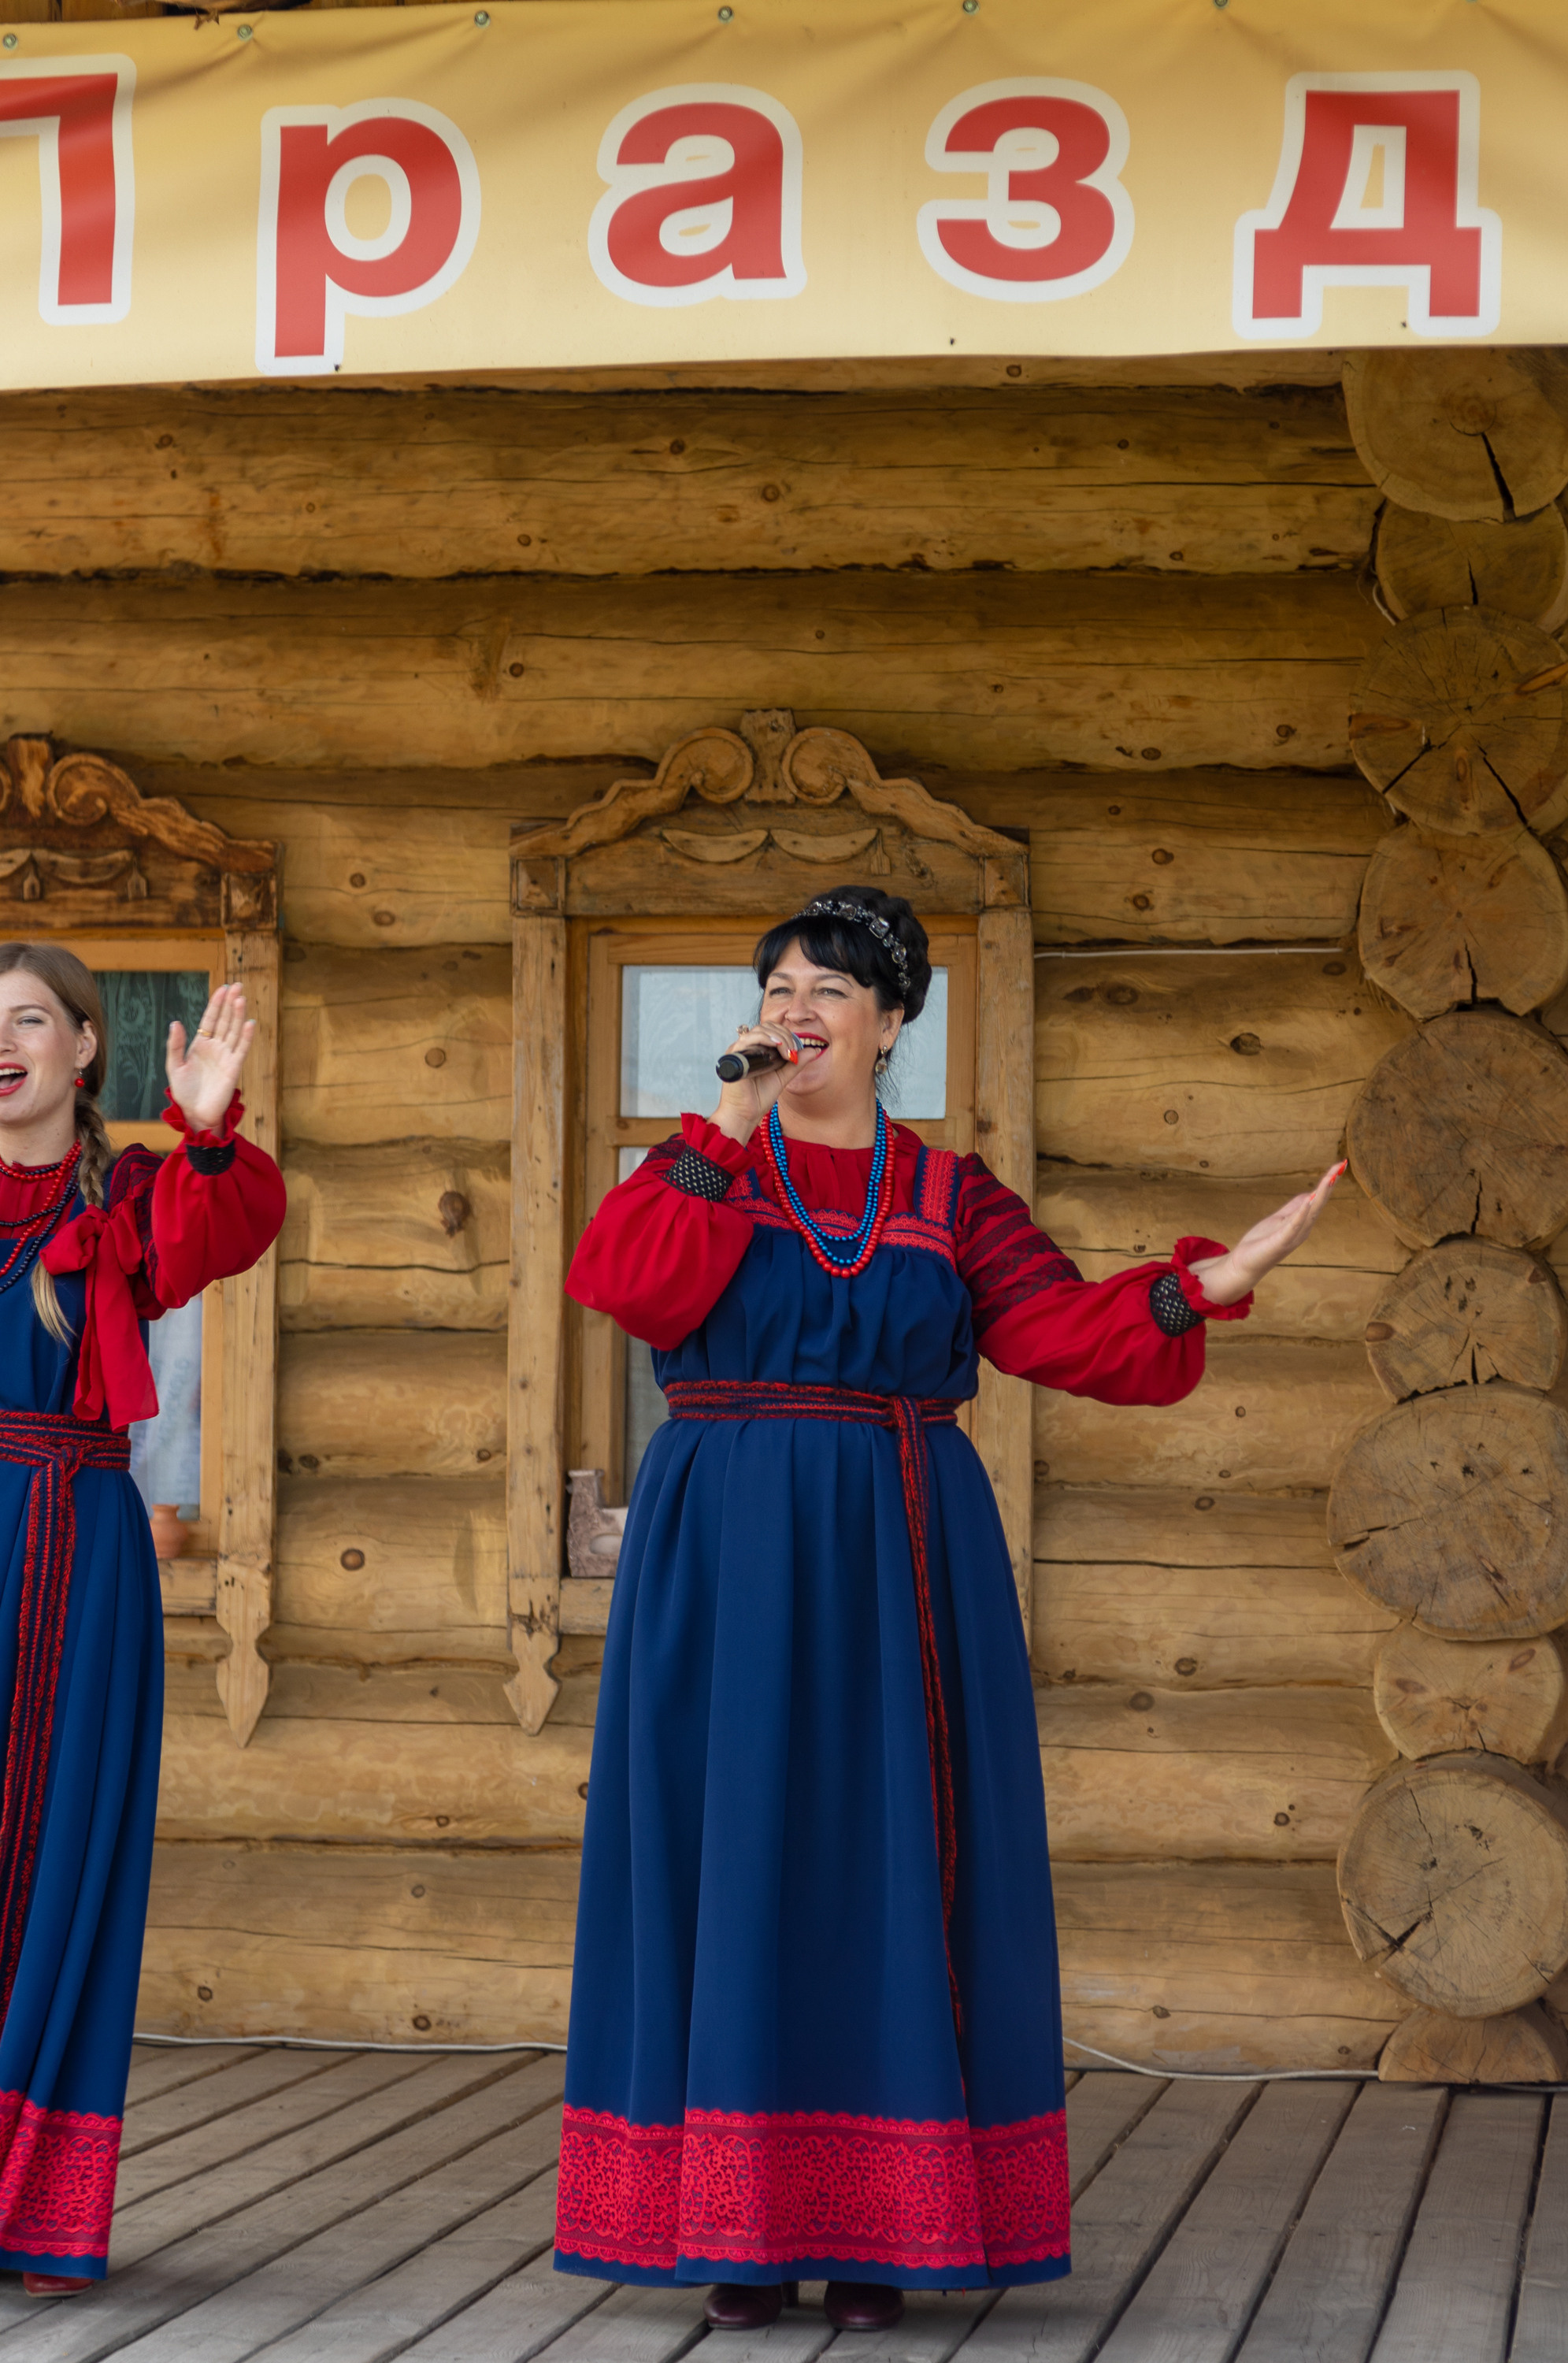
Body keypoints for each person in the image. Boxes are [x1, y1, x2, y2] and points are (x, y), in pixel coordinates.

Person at [553, 888, 1337, 2335]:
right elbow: (625, 1287)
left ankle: (877, 2234)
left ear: (893, 1022)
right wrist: (719, 1135)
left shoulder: (948, 1197)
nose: (797, 1010)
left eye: (831, 991)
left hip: (897, 1551)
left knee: (885, 1861)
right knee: (732, 1860)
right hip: (723, 1554)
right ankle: (734, 2231)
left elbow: (1056, 1331)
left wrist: (1202, 1287)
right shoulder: (709, 1161)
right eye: (781, 987)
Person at [0, 945, 285, 2295]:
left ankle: (21, 2198)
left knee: (55, 1860)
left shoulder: (129, 1199)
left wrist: (212, 1126)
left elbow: (227, 1229)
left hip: (72, 1548)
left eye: (27, 1021)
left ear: (80, 1052)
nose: (3, 1044)